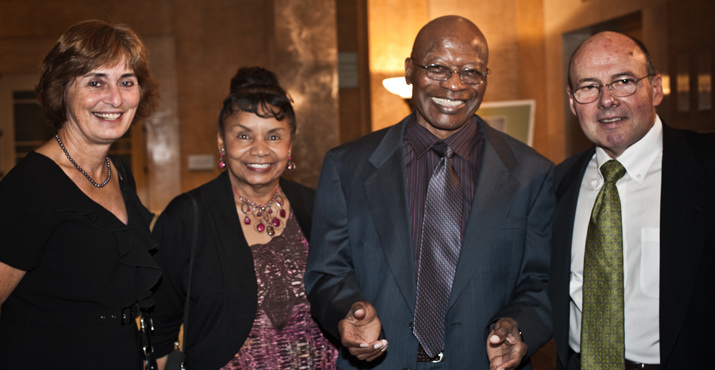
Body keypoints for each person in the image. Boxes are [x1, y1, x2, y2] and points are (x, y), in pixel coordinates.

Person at [305, 15, 554, 370]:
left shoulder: (533, 173)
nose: (455, 85)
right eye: (437, 67)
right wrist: (348, 312)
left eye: (471, 71)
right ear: (409, 71)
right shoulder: (347, 166)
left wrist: (517, 327)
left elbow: (540, 280)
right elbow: (327, 274)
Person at [151, 66, 338, 370]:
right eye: (243, 135)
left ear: (290, 144)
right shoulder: (187, 216)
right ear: (222, 142)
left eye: (274, 136)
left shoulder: (316, 207)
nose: (260, 150)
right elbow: (160, 326)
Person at [0, 20, 161, 369]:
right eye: (95, 82)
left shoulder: (118, 173)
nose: (115, 98)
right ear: (62, 89)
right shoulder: (30, 187)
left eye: (127, 82)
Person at [550, 31, 715, 370]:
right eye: (589, 87)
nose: (606, 100)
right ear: (571, 101)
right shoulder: (558, 183)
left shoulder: (707, 168)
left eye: (623, 81)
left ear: (656, 88)